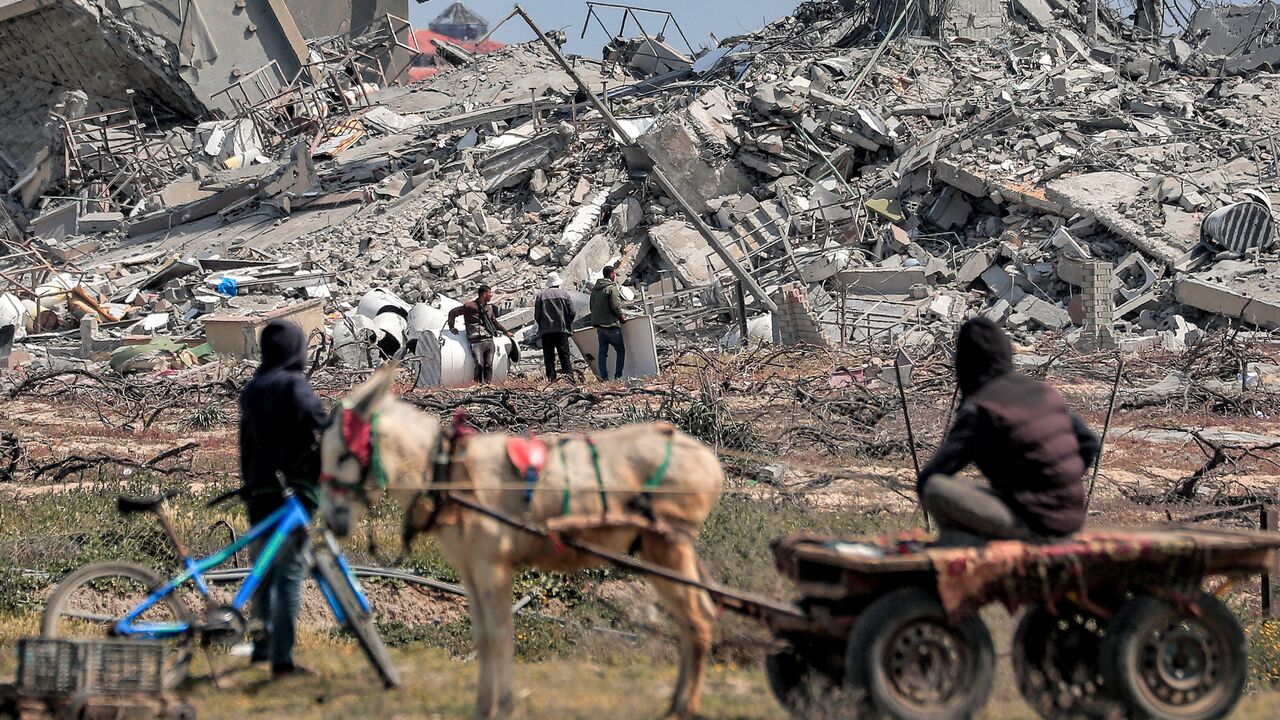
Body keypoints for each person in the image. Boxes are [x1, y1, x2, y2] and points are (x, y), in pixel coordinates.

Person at [918, 317, 1100, 546]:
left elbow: (933, 474)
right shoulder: (1041, 391)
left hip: (1034, 523)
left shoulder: (981, 407)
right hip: (1070, 519)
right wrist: (1053, 480)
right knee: (967, 488)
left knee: (936, 489)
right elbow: (1090, 444)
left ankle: (965, 550)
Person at [238, 320, 327, 678]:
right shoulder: (293, 385)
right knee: (289, 575)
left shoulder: (253, 387)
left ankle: (261, 647)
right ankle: (282, 660)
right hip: (288, 495)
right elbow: (320, 423)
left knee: (262, 573)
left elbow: (246, 443)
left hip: (257, 493)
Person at [447, 284, 513, 384]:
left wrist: (505, 332)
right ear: (484, 294)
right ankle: (477, 384)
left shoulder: (489, 308)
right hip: (475, 340)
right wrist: (452, 327)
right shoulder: (469, 306)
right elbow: (453, 312)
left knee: (489, 364)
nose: (491, 295)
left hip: (488, 339)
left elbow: (494, 322)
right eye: (490, 293)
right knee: (479, 364)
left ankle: (487, 385)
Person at [534, 272, 576, 382]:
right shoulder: (565, 294)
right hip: (561, 329)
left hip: (546, 331)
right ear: (558, 283)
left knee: (549, 357)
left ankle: (551, 379)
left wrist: (542, 324)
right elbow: (572, 312)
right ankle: (569, 379)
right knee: (564, 356)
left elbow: (537, 315)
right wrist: (567, 323)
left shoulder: (540, 296)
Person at [589, 265, 626, 381]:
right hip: (611, 325)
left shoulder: (595, 289)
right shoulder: (611, 288)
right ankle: (618, 376)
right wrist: (621, 317)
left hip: (599, 326)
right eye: (614, 274)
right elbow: (616, 305)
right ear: (611, 274)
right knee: (620, 350)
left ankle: (603, 378)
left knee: (602, 354)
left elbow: (591, 306)